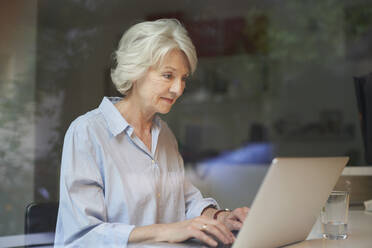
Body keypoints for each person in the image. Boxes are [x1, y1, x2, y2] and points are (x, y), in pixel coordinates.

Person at [54, 19, 249, 247]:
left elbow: (187, 202)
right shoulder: (87, 133)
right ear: (136, 71)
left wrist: (220, 218)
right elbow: (82, 236)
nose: (178, 89)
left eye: (183, 78)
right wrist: (168, 231)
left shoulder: (164, 134)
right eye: (168, 75)